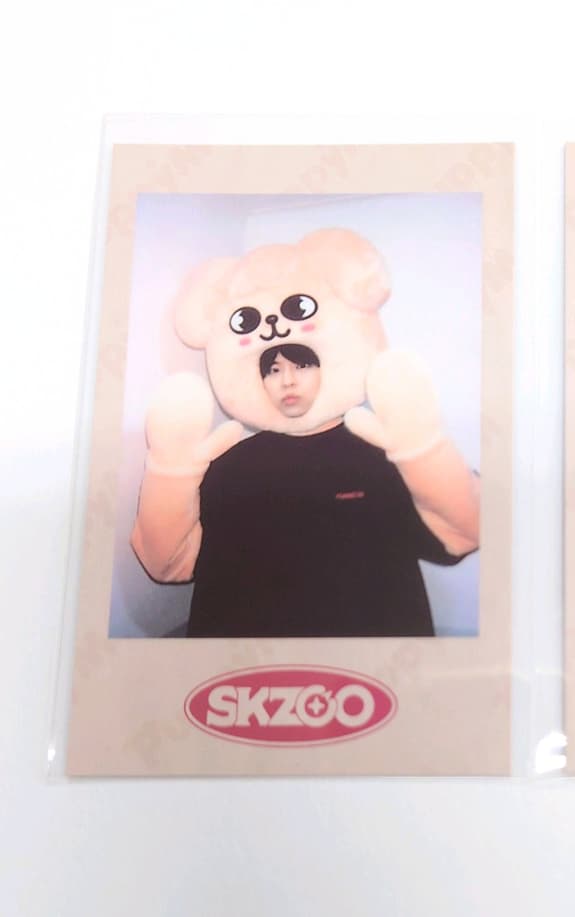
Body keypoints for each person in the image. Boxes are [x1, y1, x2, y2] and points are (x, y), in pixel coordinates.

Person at [131, 229, 481, 638]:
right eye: (273, 368)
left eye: (302, 364)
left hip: (364, 664)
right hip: (244, 667)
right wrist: (171, 468)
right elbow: (168, 564)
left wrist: (423, 448)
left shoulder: (382, 451)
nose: (288, 380)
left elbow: (462, 532)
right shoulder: (228, 464)